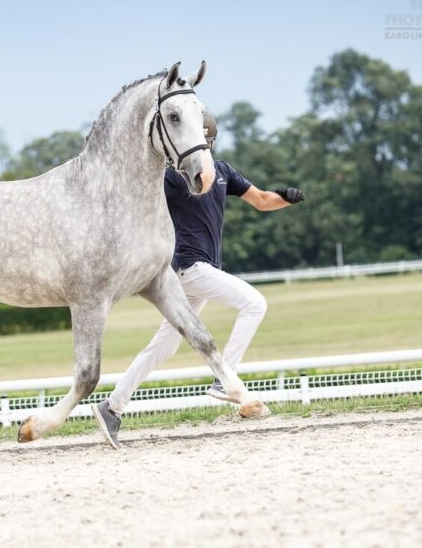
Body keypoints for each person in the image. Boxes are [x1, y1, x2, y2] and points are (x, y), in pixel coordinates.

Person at [91, 111, 305, 449]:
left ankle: (112, 407)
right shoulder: (171, 178)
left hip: (196, 274)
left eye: (206, 142)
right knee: (254, 303)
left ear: (211, 142)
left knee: (163, 346)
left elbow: (262, 201)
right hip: (189, 268)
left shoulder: (223, 172)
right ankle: (226, 379)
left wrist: (286, 197)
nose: (202, 148)